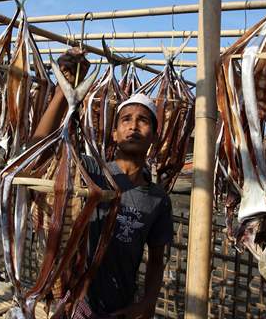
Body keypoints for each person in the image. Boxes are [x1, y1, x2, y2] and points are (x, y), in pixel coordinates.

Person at [29, 49, 173, 318]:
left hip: (121, 307)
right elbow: (38, 151)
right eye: (126, 119)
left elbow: (155, 260)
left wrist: (147, 303)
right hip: (75, 304)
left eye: (143, 121)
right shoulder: (91, 171)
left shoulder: (158, 199)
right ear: (115, 134)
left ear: (154, 135)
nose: (133, 126)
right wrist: (63, 91)